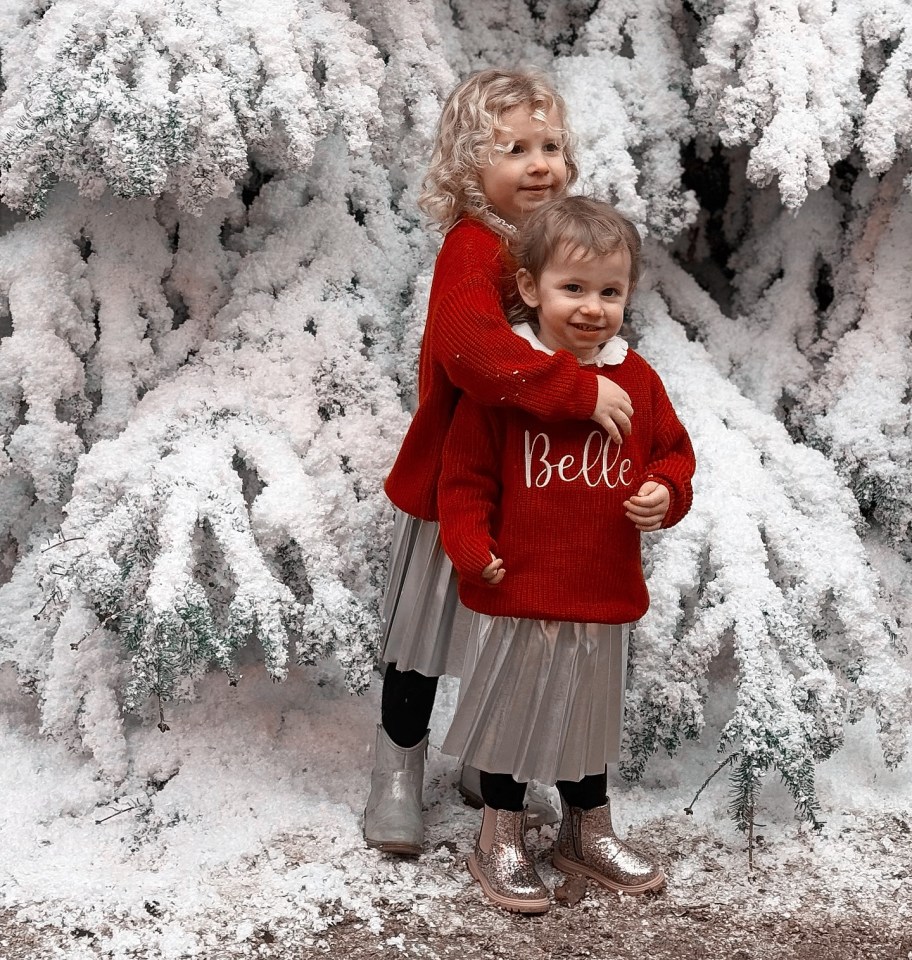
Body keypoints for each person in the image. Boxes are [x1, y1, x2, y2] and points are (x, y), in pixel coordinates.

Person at [363, 70, 635, 856]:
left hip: (525, 494)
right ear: (468, 164)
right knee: (421, 641)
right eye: (513, 148)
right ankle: (395, 775)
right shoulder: (472, 249)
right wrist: (573, 393)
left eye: (549, 145)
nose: (539, 163)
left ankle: (490, 768)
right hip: (454, 484)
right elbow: (472, 352)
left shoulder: (547, 248)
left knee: (509, 637)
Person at [437, 195, 696, 913]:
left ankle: (586, 830)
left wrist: (664, 493)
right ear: (529, 289)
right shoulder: (510, 380)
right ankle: (501, 833)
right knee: (512, 717)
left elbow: (675, 457)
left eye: (609, 292)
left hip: (600, 585)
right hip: (521, 586)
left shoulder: (637, 379)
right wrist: (469, 544)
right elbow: (463, 479)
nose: (592, 308)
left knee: (588, 718)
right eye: (573, 289)